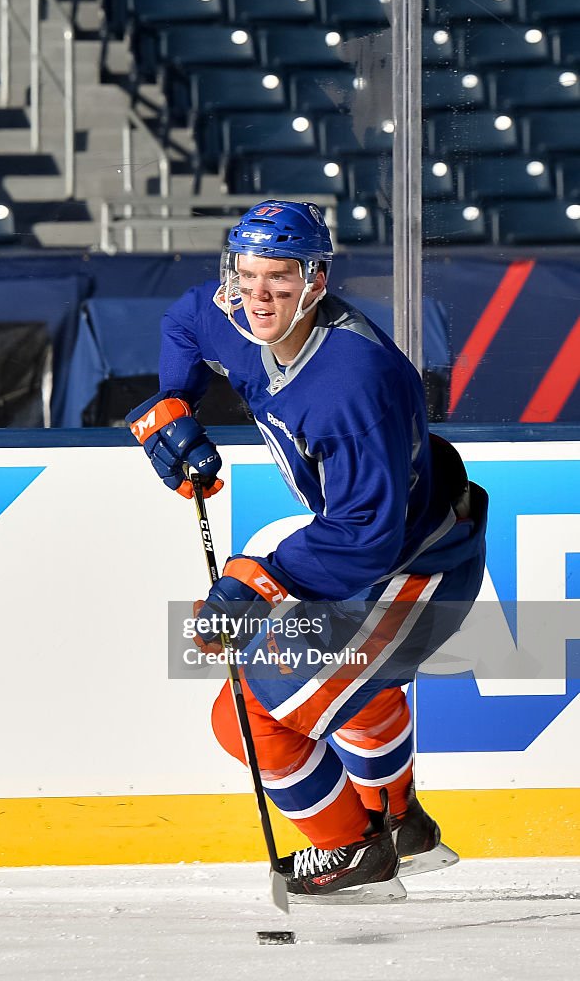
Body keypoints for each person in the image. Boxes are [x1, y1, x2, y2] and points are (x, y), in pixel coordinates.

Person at [126, 201, 487, 904]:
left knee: (247, 712)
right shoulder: (231, 308)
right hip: (387, 549)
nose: (258, 296)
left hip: (416, 570)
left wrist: (258, 579)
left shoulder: (352, 382)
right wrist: (175, 403)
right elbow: (183, 319)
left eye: (280, 281)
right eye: (247, 274)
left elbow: (364, 535)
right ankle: (400, 823)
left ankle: (354, 851)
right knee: (344, 692)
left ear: (315, 280)